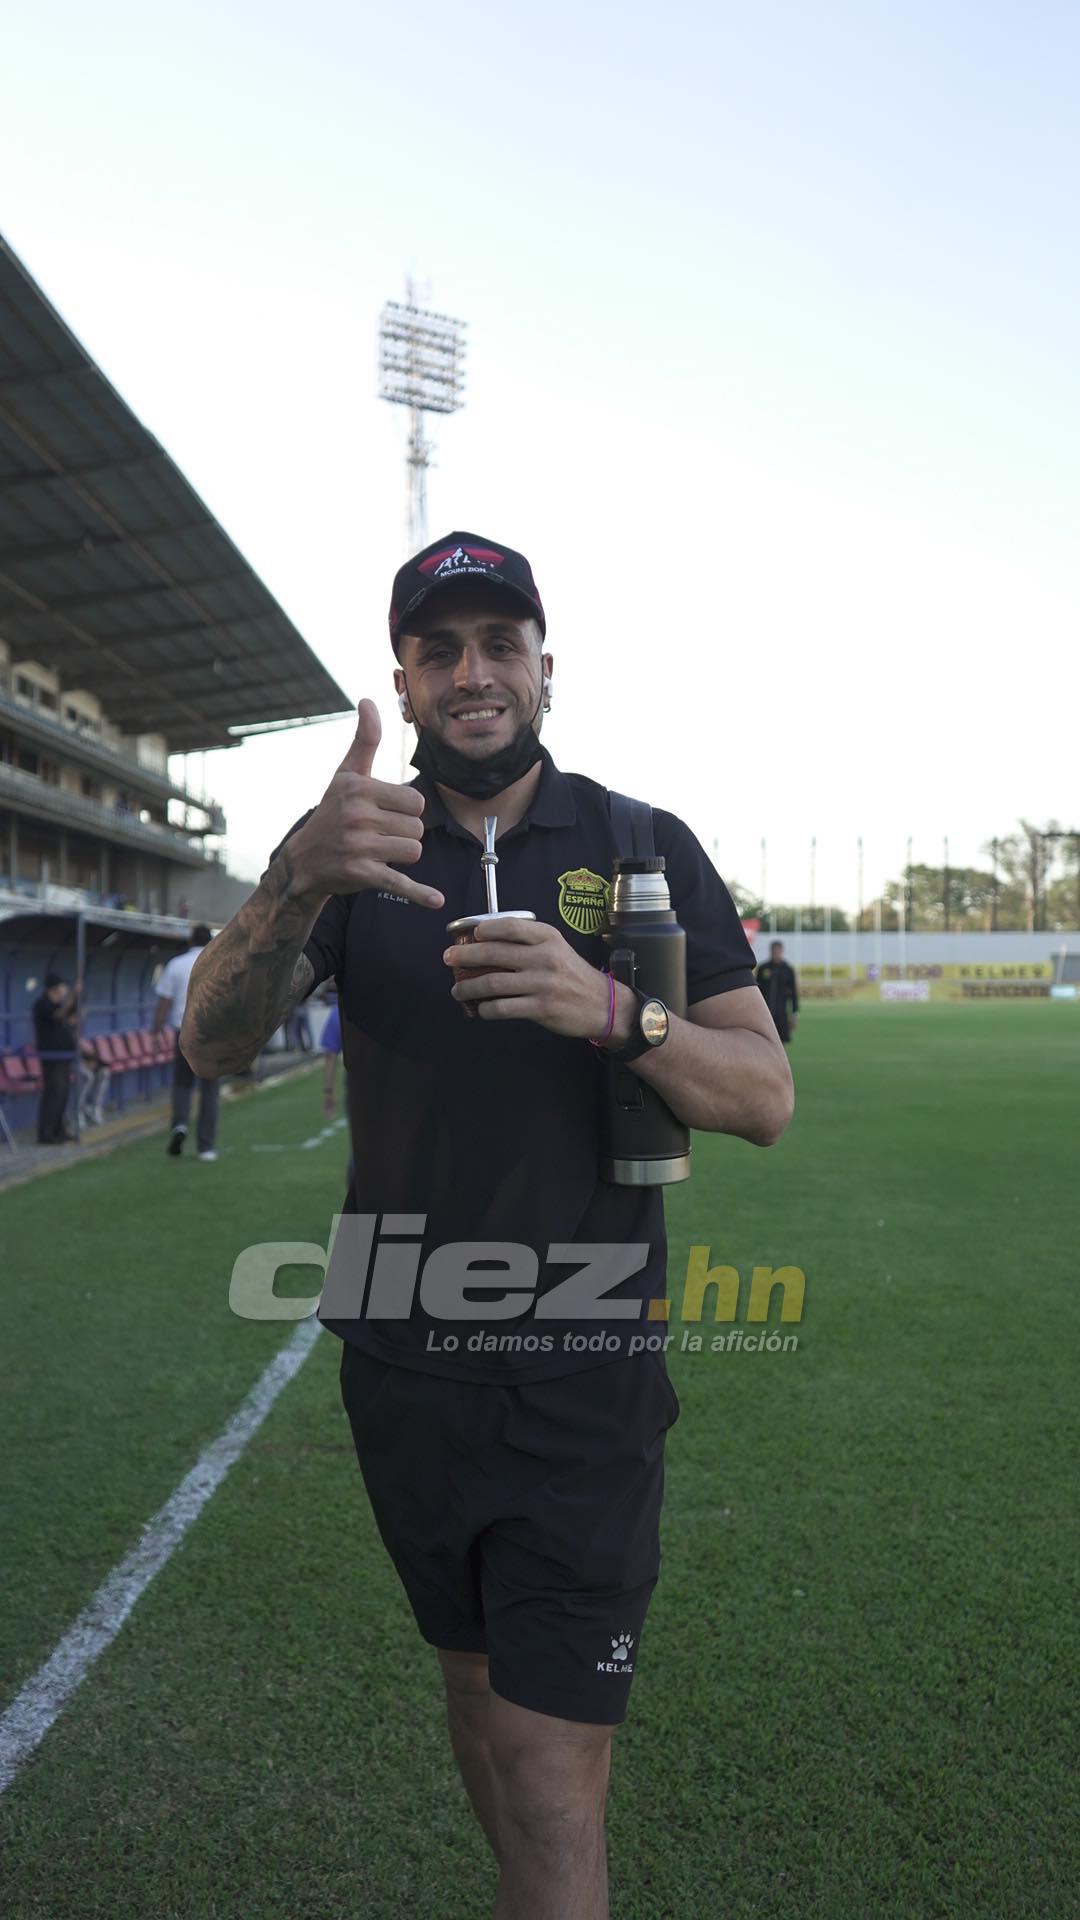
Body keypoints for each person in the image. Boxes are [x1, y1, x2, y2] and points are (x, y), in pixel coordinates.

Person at [181, 531, 794, 1920]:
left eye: (499, 645)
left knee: (545, 1771)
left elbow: (763, 1098)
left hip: (583, 1374)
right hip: (402, 1369)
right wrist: (292, 879)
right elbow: (211, 1048)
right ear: (402, 682)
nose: (473, 673)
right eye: (440, 649)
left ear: (545, 670)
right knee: (474, 1699)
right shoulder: (352, 850)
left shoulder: (641, 844)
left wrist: (611, 1009)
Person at [153, 924, 219, 1160]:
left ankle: (180, 1124)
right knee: (210, 1089)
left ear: (190, 941)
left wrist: (155, 1032)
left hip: (184, 1032)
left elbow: (164, 1003)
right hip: (211, 1032)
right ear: (211, 942)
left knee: (182, 1083)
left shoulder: (175, 964)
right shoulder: (220, 963)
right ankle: (206, 1147)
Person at [32, 972, 79, 1143]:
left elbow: (71, 1016)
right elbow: (58, 1015)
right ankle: (46, 1134)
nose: (64, 991)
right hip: (52, 1056)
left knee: (63, 1093)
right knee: (54, 1093)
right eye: (62, 987)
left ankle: (59, 1130)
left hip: (64, 1055)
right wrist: (73, 995)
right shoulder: (42, 1004)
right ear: (54, 989)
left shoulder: (59, 1004)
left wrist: (76, 998)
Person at [756, 939, 800, 1044]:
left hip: (782, 1014)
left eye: (777, 951)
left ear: (781, 951)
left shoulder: (788, 970)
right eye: (773, 951)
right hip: (765, 1013)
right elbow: (756, 991)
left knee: (781, 1042)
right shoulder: (763, 968)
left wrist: (794, 1014)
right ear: (770, 951)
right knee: (763, 1041)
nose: (775, 953)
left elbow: (794, 994)